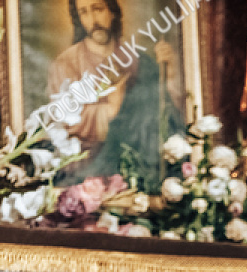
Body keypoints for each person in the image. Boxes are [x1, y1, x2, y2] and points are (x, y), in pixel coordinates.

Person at [48, 0, 184, 177]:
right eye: (84, 12)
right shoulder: (65, 64)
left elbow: (166, 112)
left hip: (137, 165)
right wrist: (110, 110)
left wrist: (171, 74)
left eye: (98, 9)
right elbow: (62, 120)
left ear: (112, 12)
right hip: (87, 166)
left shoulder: (138, 60)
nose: (93, 19)